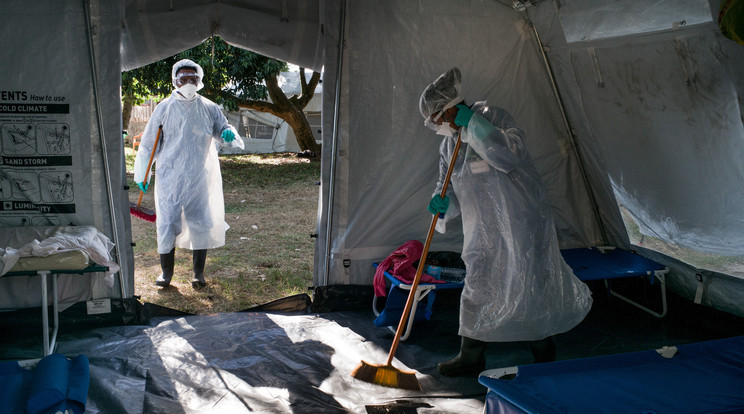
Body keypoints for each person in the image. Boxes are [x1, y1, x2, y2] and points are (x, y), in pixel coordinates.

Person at [418, 67, 593, 376]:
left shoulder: (493, 116)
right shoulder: (448, 145)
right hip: (481, 230)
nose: (436, 126)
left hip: (521, 223)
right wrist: (441, 205)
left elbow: (509, 155)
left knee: (530, 285)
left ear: (450, 109)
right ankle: (470, 356)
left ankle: (544, 356)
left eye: (436, 118)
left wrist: (475, 125)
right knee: (477, 285)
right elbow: (447, 183)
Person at [134, 59, 239, 289]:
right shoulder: (164, 108)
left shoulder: (210, 108)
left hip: (199, 177)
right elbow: (149, 144)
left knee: (201, 224)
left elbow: (223, 130)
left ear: (200, 81)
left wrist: (229, 134)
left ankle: (198, 274)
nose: (189, 83)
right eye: (184, 79)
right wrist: (143, 175)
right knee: (167, 224)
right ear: (175, 81)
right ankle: (166, 273)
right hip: (169, 178)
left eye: (194, 79)